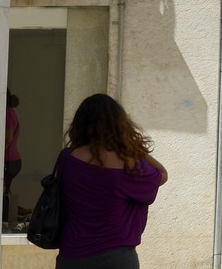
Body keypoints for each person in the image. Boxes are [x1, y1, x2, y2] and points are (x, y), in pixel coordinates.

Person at [55, 93, 168, 268]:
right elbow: (162, 174)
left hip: (72, 255)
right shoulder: (129, 165)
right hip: (116, 256)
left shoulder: (66, 159)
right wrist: (134, 147)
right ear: (119, 125)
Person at [3, 89, 22, 230]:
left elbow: (7, 139)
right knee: (5, 191)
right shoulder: (11, 112)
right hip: (12, 159)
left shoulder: (8, 113)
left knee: (3, 192)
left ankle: (4, 222)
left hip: (9, 160)